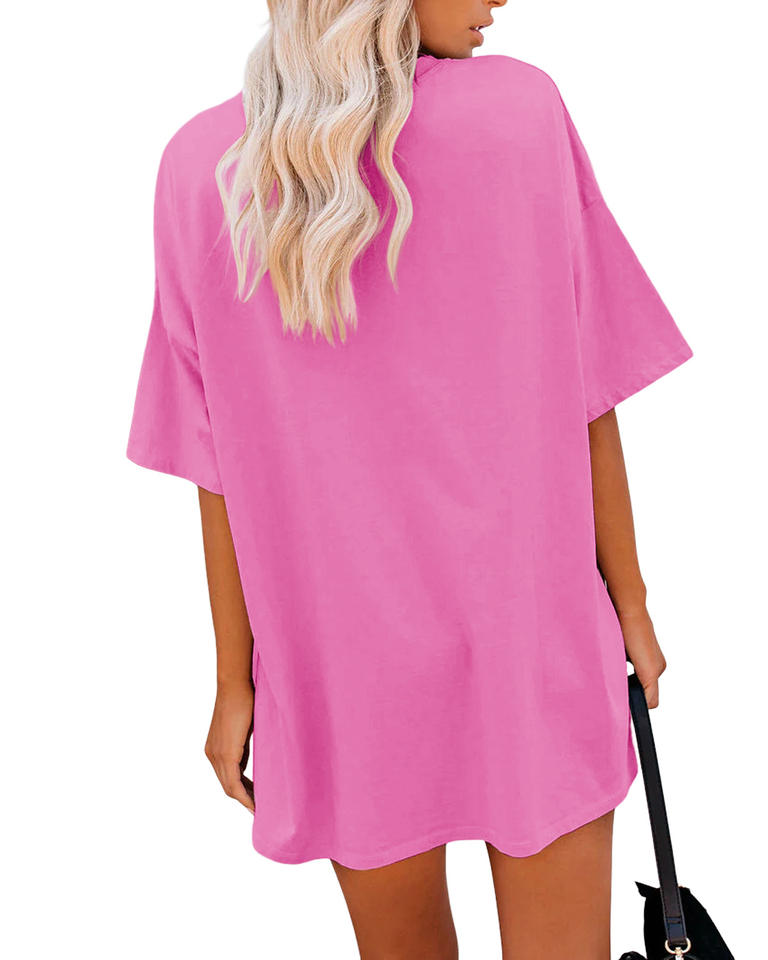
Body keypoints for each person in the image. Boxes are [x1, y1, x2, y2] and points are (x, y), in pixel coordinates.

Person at [125, 0, 694, 957]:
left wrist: (235, 680)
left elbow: (214, 468)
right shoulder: (520, 115)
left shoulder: (199, 171)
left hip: (341, 669)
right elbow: (587, 387)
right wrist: (628, 601)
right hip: (530, 636)